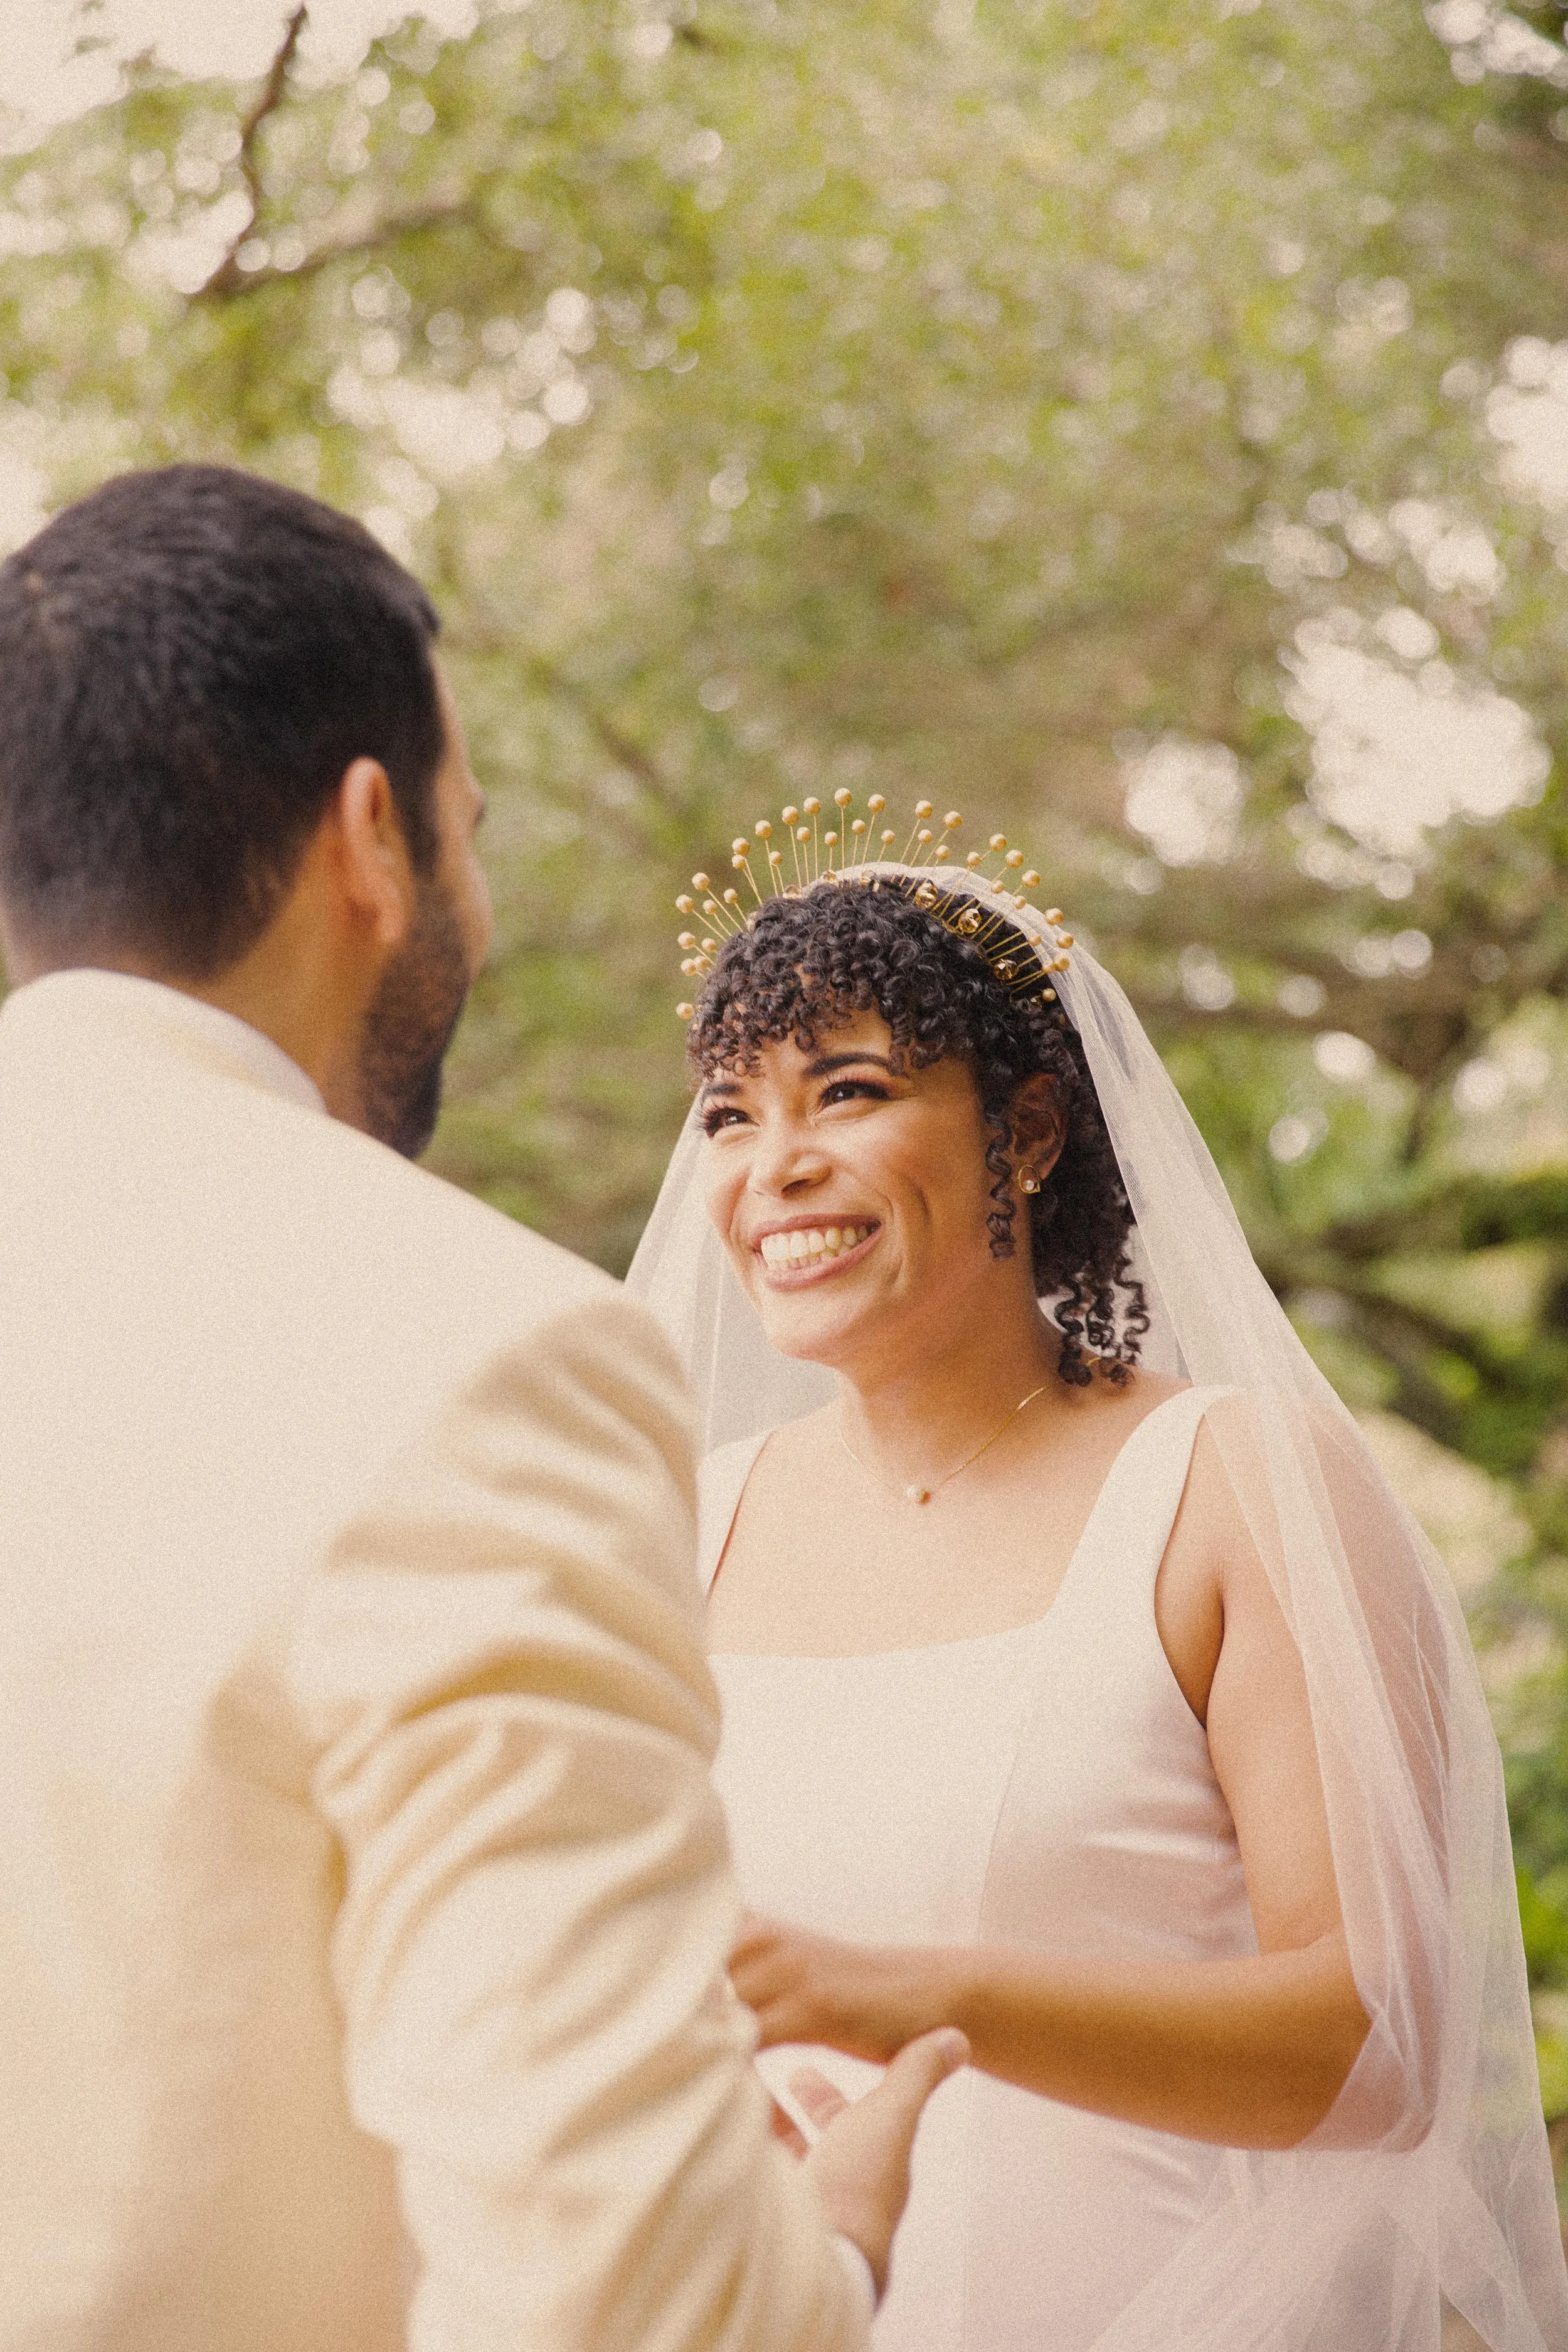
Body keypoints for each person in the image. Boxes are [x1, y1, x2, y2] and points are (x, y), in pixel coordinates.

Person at [0, 465, 967, 2352]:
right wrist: (825, 2252)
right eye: (472, 824)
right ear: (372, 835)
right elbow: (622, 2301)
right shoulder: (480, 1354)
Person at [628, 816, 1568, 2352]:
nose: (771, 1168)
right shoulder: (680, 1526)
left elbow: (1374, 2050)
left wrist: (892, 1995)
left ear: (1031, 1131)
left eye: (846, 1094)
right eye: (727, 1117)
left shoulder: (1231, 1489)